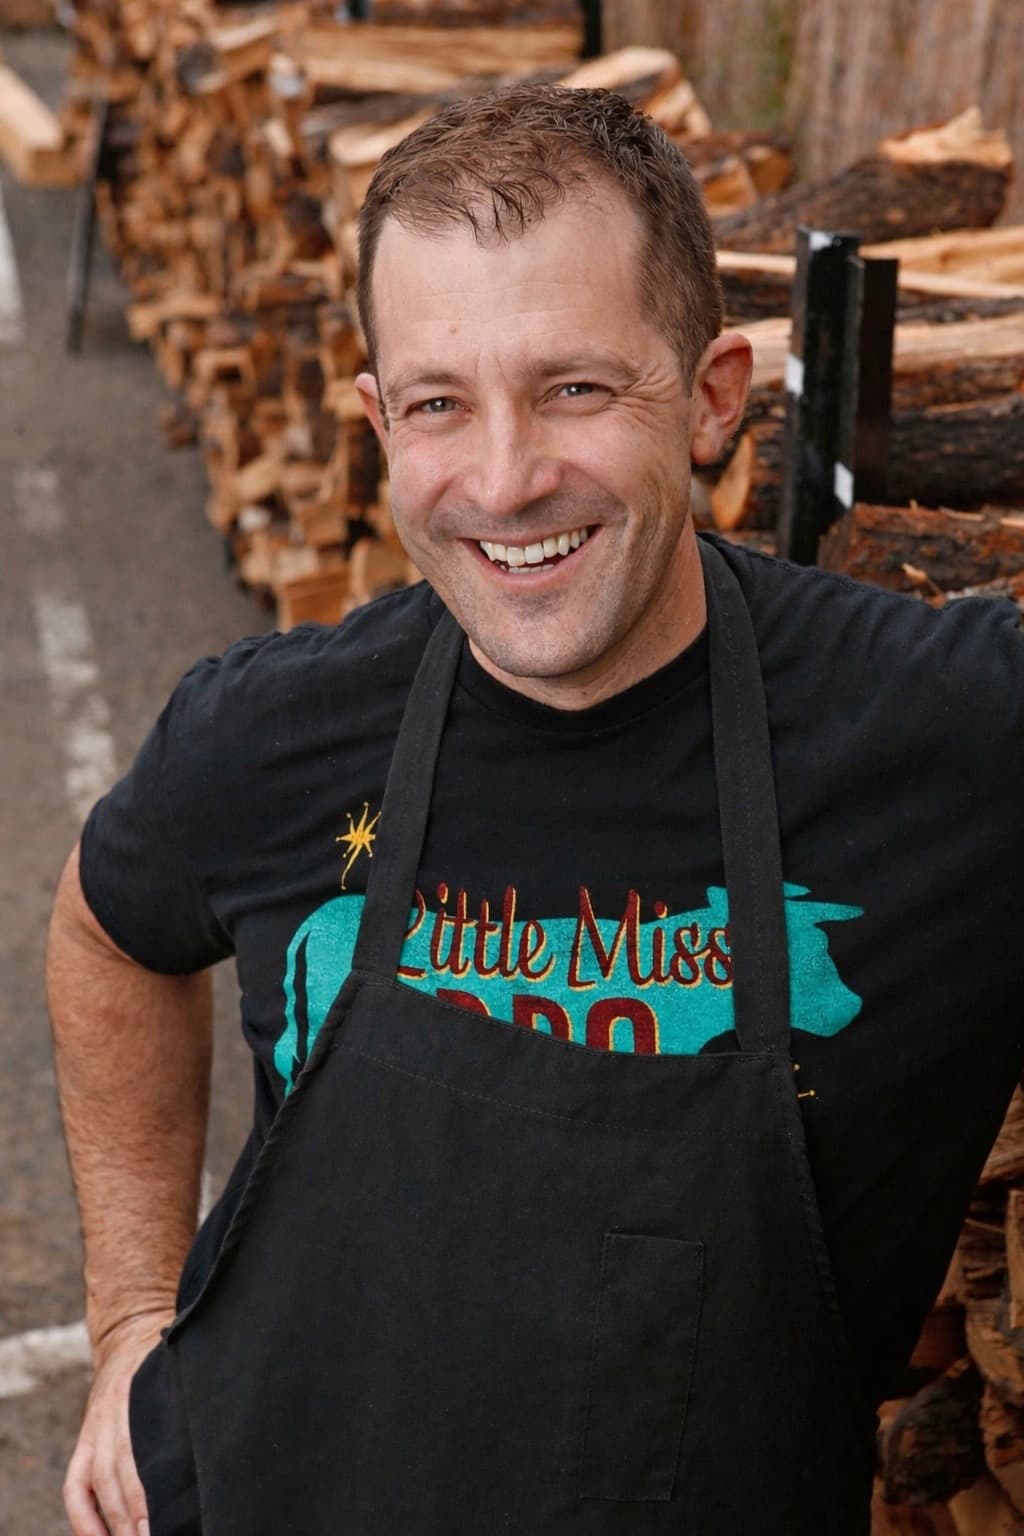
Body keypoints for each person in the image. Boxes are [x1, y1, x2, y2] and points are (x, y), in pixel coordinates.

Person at [48, 83, 1024, 1536]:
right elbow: (106, 935)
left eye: (576, 389)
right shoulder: (270, 733)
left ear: (713, 397)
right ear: (377, 422)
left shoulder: (950, 736)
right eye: (440, 404)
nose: (504, 483)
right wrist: (132, 1314)